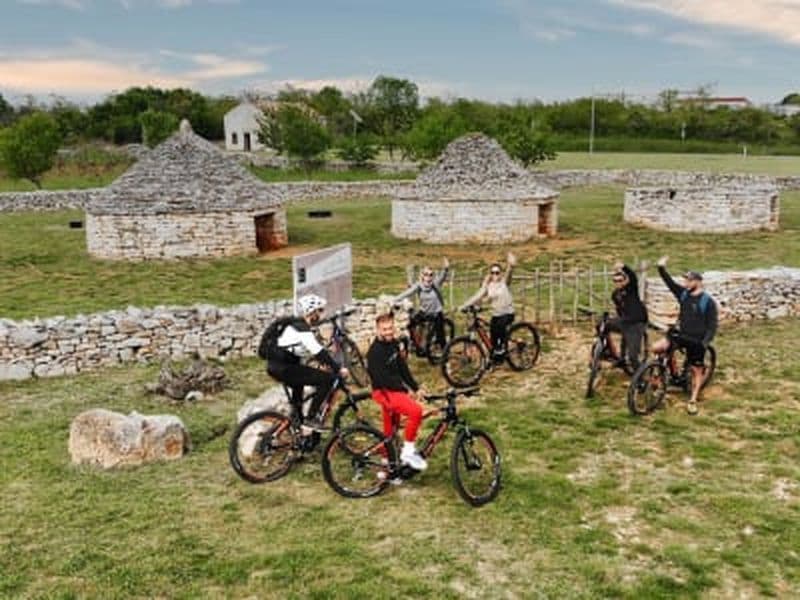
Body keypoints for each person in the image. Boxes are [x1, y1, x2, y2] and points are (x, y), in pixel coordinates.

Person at [266, 294, 349, 430]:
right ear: (312, 311)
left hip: (278, 366)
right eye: (319, 311)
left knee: (300, 382)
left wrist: (323, 362)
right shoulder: (302, 329)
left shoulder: (296, 325)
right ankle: (311, 419)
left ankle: (297, 420)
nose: (321, 315)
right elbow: (318, 351)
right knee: (327, 380)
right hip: (284, 368)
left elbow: (307, 351)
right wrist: (337, 368)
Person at [654, 256, 718, 415]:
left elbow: (712, 326)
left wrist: (705, 343)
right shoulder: (683, 294)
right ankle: (663, 375)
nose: (685, 283)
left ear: (698, 281)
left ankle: (693, 399)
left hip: (697, 341)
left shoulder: (707, 302)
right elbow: (669, 283)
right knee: (657, 348)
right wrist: (661, 268)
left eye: (689, 281)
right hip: (681, 335)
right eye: (685, 280)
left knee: (697, 370)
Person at [366, 312, 428, 471]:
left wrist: (415, 387)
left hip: (394, 390)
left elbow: (402, 368)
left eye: (390, 328)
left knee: (390, 429)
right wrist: (405, 392)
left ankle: (388, 465)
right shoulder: (374, 353)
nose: (388, 332)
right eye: (384, 329)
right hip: (384, 392)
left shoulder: (393, 343)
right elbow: (382, 379)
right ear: (377, 330)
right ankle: (407, 451)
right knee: (416, 411)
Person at [459, 252, 517, 363]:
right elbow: (477, 296)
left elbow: (509, 273)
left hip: (507, 313)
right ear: (490, 274)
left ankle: (501, 349)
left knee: (499, 328)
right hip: (496, 314)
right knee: (493, 335)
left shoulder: (504, 283)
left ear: (500, 274)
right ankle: (496, 357)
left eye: (497, 272)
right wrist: (465, 305)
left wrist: (511, 265)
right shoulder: (488, 286)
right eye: (492, 272)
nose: (495, 275)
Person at [393, 257, 450, 354]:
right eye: (426, 274)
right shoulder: (419, 285)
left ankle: (445, 353)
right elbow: (408, 292)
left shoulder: (435, 284)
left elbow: (442, 277)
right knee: (410, 324)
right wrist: (394, 299)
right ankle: (416, 345)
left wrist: (446, 268)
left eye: (431, 275)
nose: (428, 277)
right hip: (424, 312)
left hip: (436, 313)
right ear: (422, 276)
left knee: (440, 334)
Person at [609, 261, 649, 371]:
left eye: (621, 280)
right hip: (625, 321)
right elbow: (619, 309)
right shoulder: (615, 295)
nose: (618, 283)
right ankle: (609, 350)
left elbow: (633, 276)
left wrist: (623, 266)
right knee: (603, 324)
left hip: (637, 322)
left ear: (625, 280)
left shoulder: (631, 288)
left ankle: (640, 378)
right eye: (615, 281)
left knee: (633, 357)